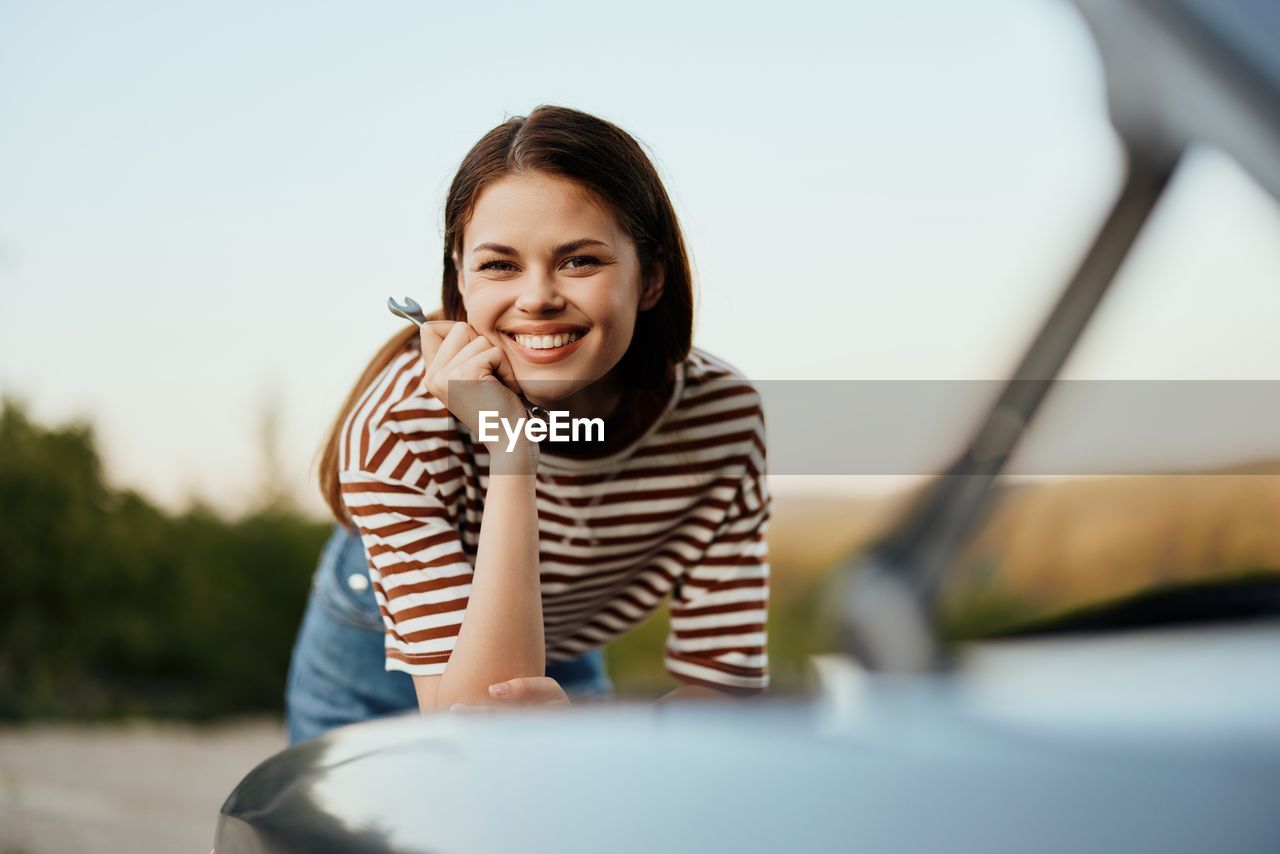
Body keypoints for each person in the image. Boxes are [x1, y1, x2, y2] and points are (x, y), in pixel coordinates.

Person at [286, 104, 769, 741]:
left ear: (651, 277)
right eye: (499, 265)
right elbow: (481, 732)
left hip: (555, 640)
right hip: (371, 665)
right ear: (458, 280)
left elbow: (722, 690)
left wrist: (601, 740)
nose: (537, 297)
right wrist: (514, 453)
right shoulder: (398, 430)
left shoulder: (722, 419)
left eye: (581, 261)